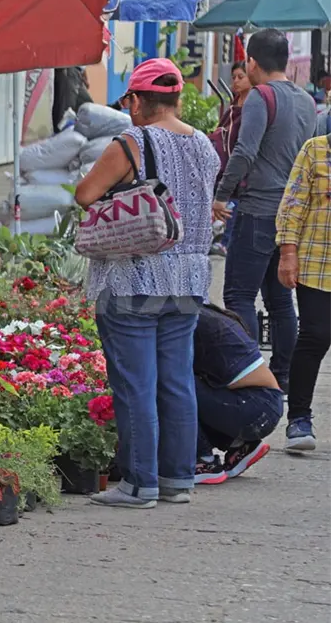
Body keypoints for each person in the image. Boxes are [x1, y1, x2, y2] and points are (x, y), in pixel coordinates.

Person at [74, 58, 219, 509]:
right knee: (176, 380)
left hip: (134, 278)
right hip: (189, 278)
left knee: (135, 383)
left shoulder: (132, 141)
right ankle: (177, 479)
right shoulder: (204, 146)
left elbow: (85, 194)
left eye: (128, 100)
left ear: (137, 101)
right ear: (175, 98)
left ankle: (139, 483)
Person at [214, 29, 315, 398]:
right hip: (292, 218)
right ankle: (282, 377)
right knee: (279, 301)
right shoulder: (307, 102)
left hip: (257, 212)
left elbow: (244, 152)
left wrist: (221, 195)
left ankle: (248, 371)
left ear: (252, 62)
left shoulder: (260, 96)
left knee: (239, 296)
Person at [275, 129, 331, 451]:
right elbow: (293, 204)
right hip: (317, 263)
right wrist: (288, 254)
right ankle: (298, 418)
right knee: (317, 334)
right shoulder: (314, 151)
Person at [191, 304, 282, 484]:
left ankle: (203, 460)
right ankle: (238, 444)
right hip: (264, 405)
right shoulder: (199, 313)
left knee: (170, 384)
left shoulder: (189, 320)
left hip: (254, 407)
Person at [209, 62, 252, 255]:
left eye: (240, 77)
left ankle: (226, 242)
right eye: (233, 77)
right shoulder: (233, 107)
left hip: (242, 172)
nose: (235, 81)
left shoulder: (253, 109)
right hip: (224, 168)